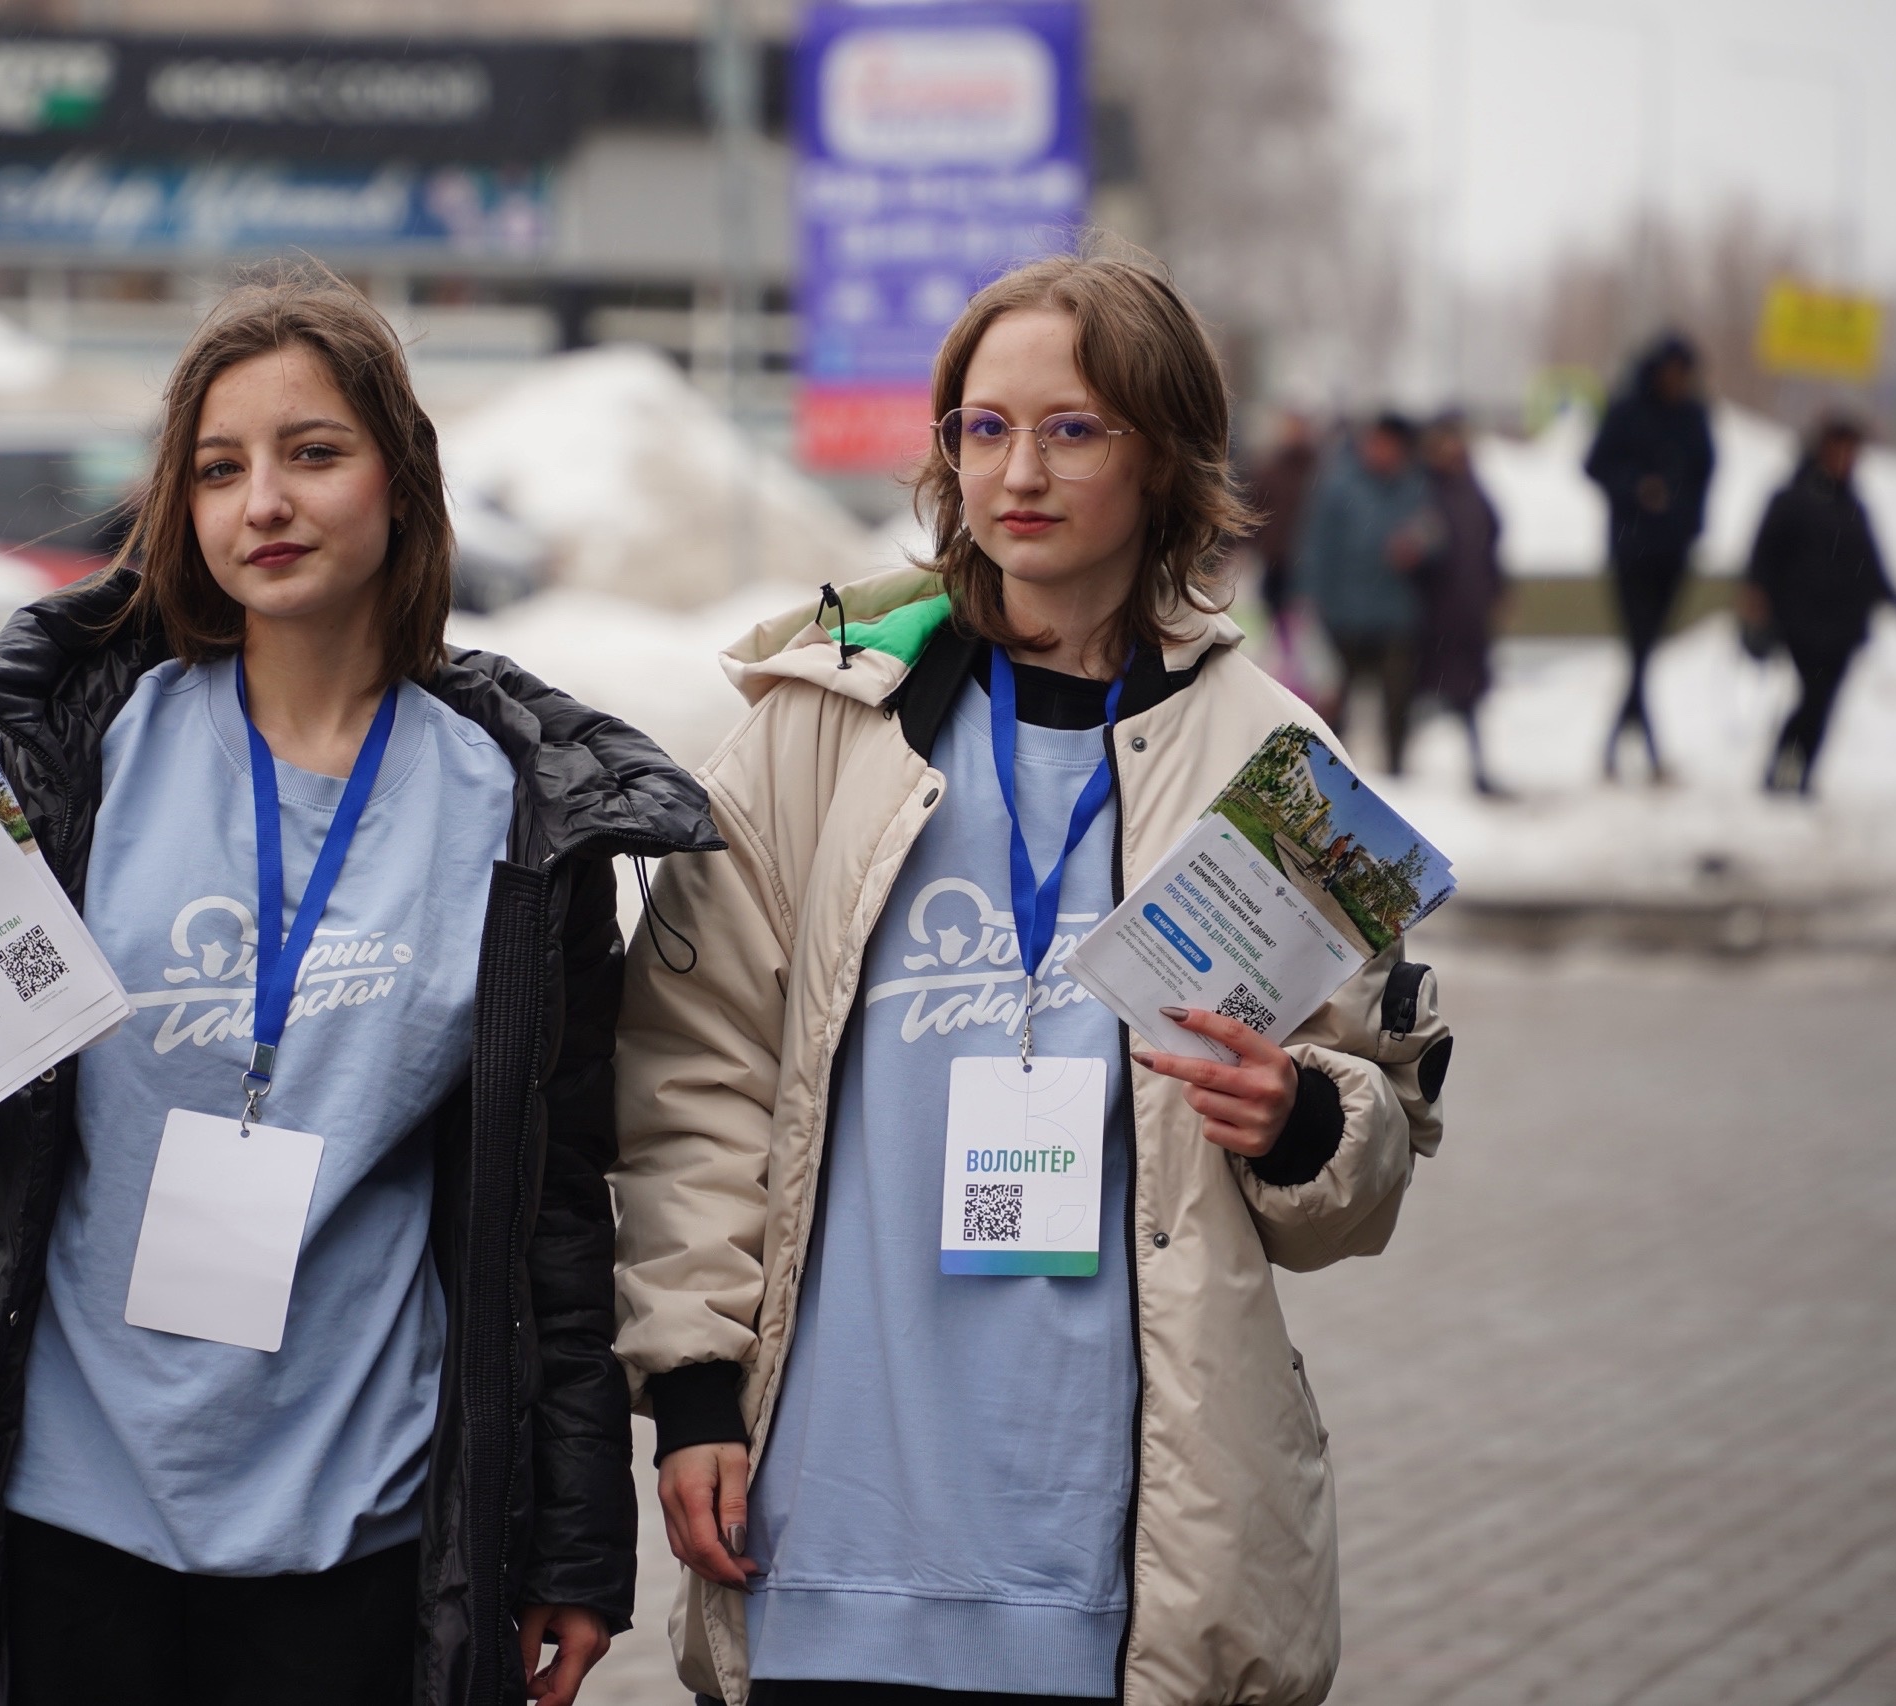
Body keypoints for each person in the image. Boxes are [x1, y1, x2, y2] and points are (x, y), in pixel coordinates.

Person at [0, 267, 717, 1706]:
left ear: (403, 481)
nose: (262, 500)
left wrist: (574, 1542)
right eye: (219, 469)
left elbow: (553, 1211)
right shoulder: (79, 754)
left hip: (365, 1522)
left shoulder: (523, 809)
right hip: (59, 1508)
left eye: (312, 453)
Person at [612, 252, 1454, 1706]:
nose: (1019, 471)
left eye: (1073, 428)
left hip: (1122, 1571)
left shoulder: (1274, 763)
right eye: (981, 427)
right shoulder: (822, 723)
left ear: (1167, 455)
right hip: (827, 1539)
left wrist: (1309, 1118)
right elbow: (693, 1076)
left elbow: (1370, 1143)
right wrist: (693, 1386)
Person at [1744, 415, 1896, 794]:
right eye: (1839, 449)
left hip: (1846, 624)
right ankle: (1781, 763)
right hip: (1801, 620)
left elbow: (1870, 563)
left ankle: (1803, 773)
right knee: (1813, 696)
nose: (1846, 459)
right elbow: (1764, 554)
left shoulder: (1854, 507)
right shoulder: (1791, 499)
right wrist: (1757, 596)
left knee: (1826, 703)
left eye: (1853, 451)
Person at [1584, 332, 1715, 782]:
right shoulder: (1626, 412)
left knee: (1645, 650)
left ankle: (1618, 742)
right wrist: (1636, 486)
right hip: (1631, 548)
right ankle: (1645, 750)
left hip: (1675, 550)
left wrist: (1691, 519)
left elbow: (1706, 473)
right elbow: (1594, 464)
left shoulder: (1694, 416)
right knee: (1640, 646)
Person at [1296, 412, 1433, 774]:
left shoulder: (1415, 485)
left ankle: (1397, 769)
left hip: (1395, 613)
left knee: (1398, 697)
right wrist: (1309, 600)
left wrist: (1420, 546)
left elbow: (1436, 531)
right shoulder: (1339, 485)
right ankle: (1332, 770)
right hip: (1344, 614)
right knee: (1336, 702)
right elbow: (1316, 547)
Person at [1417, 412, 1507, 796]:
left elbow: (1492, 543)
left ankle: (1477, 770)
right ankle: (1403, 778)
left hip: (1470, 612)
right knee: (1420, 696)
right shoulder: (1421, 490)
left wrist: (1498, 589)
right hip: (1432, 616)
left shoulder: (1474, 489)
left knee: (1470, 697)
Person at [1244, 406, 1323, 662]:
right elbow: (1253, 510)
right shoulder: (1269, 468)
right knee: (1273, 626)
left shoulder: (1320, 469)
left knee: (1304, 632)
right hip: (1275, 559)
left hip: (1309, 563)